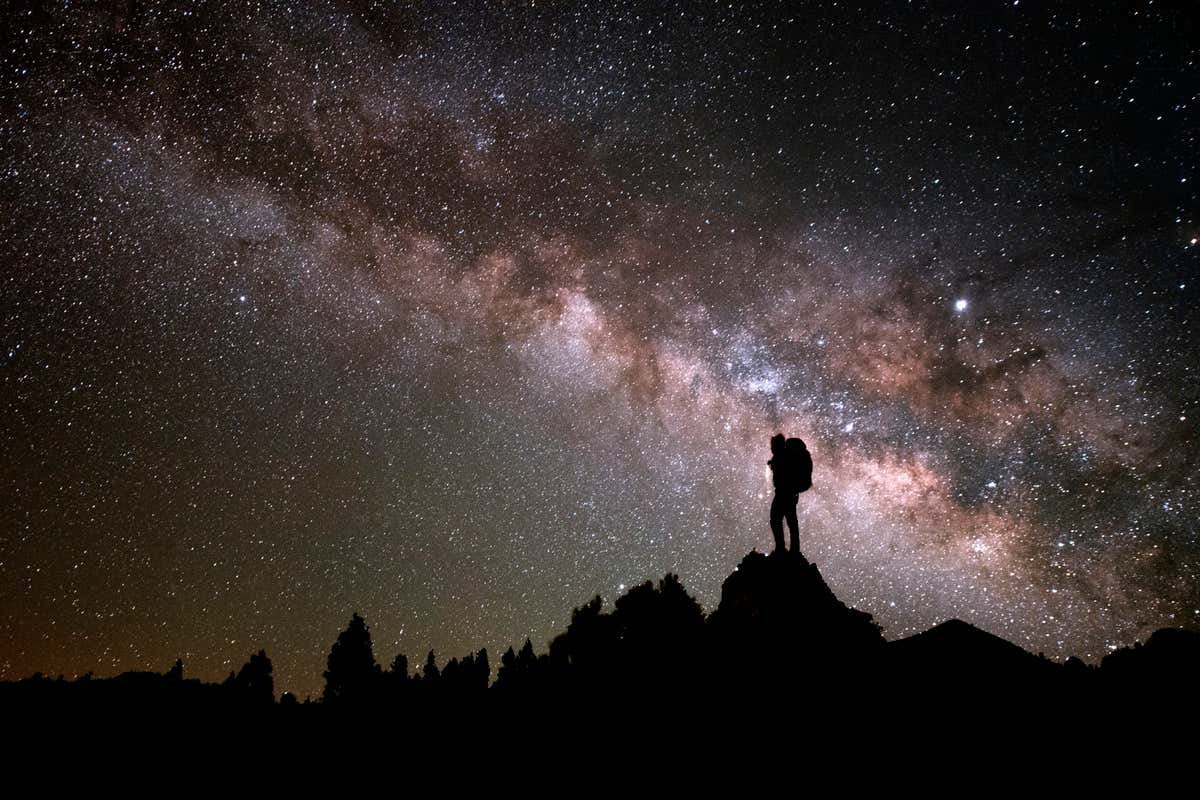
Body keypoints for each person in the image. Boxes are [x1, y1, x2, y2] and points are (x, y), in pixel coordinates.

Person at [767, 433, 812, 554]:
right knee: (790, 522)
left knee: (776, 519)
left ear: (777, 444)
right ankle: (793, 550)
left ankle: (782, 548)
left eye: (772, 446)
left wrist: (774, 464)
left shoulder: (783, 456)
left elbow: (783, 474)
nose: (771, 448)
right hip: (790, 494)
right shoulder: (784, 455)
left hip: (784, 494)